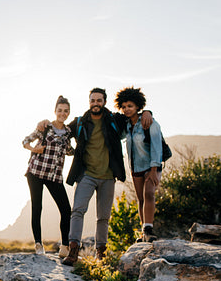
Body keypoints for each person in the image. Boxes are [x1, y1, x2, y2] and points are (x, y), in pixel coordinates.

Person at [39, 88, 152, 266]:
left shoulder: (115, 120)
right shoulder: (80, 122)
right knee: (77, 211)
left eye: (99, 100)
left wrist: (147, 112)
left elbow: (133, 115)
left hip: (108, 176)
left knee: (103, 217)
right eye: (93, 100)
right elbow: (60, 128)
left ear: (104, 102)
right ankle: (73, 250)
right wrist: (45, 122)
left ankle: (101, 254)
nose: (95, 103)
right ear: (89, 102)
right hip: (86, 175)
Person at [22, 95, 74, 257]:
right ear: (55, 111)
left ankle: (64, 247)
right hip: (36, 172)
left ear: (68, 113)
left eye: (65, 111)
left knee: (66, 210)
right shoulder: (45, 127)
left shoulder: (68, 133)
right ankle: (38, 245)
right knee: (37, 207)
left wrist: (80, 150)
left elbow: (69, 150)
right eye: (60, 110)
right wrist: (34, 149)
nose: (62, 113)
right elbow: (25, 141)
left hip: (54, 176)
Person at [115, 87, 162, 242]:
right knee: (140, 199)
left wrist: (154, 169)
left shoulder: (149, 122)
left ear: (137, 106)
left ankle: (149, 229)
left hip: (151, 166)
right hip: (135, 168)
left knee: (149, 194)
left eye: (130, 106)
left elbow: (157, 146)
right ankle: (144, 232)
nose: (127, 109)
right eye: (124, 106)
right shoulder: (127, 126)